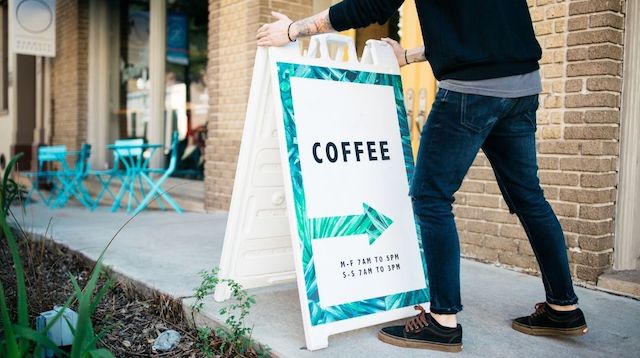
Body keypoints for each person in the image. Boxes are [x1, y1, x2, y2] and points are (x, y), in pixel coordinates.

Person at [257, 0, 588, 353]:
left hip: (470, 93)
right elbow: (479, 28)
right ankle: (563, 309)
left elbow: (370, 5)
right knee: (529, 197)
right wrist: (411, 55)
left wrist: (293, 31)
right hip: (522, 87)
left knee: (432, 197)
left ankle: (442, 321)